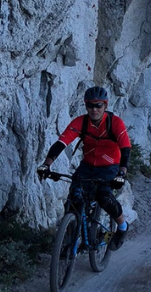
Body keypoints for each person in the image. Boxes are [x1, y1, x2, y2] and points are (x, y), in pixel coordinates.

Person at [38, 86, 131, 250]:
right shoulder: (81, 122)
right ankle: (70, 241)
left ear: (105, 105)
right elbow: (61, 143)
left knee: (105, 198)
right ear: (86, 105)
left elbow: (125, 148)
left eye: (98, 105)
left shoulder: (115, 123)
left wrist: (121, 173)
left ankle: (122, 227)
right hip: (87, 166)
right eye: (90, 105)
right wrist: (46, 164)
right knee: (74, 199)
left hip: (109, 167)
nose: (94, 109)